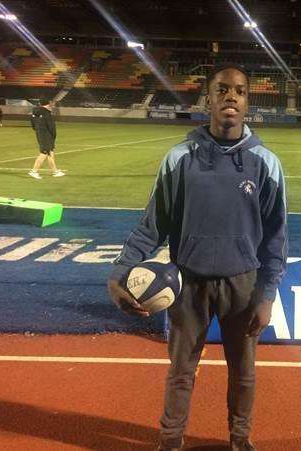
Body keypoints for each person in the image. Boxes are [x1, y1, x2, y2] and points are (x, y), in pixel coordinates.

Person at [107, 62, 288, 451]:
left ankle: (240, 440)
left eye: (239, 91)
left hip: (243, 283)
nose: (230, 98)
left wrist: (267, 294)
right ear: (208, 97)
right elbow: (152, 224)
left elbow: (276, 237)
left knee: (243, 372)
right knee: (181, 370)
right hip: (187, 282)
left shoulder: (266, 163)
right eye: (222, 89)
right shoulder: (179, 158)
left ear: (247, 101)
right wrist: (119, 273)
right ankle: (170, 441)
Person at [28, 99, 65, 179]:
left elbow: (33, 125)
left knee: (50, 153)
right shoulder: (47, 113)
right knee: (44, 153)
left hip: (40, 134)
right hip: (46, 135)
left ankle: (55, 171)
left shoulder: (34, 112)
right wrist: (53, 136)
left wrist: (38, 131)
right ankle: (34, 171)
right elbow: (51, 127)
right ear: (48, 104)